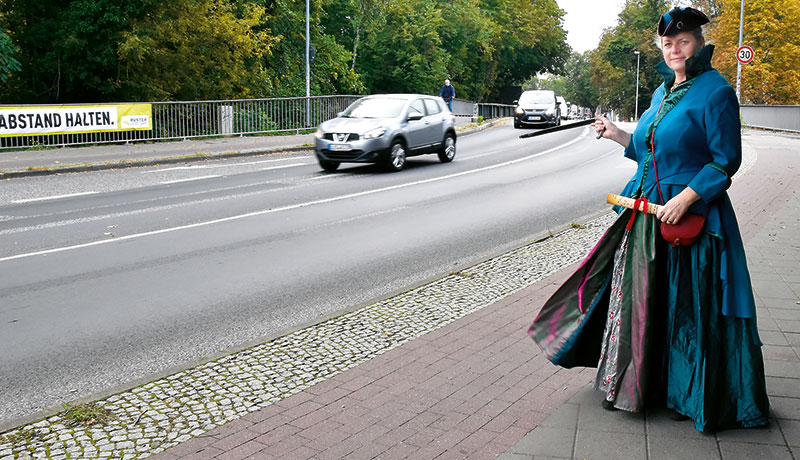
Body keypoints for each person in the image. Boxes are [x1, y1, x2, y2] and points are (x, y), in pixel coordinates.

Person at [531, 7, 769, 432]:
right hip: (645, 213)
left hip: (690, 221)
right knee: (640, 298)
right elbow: (652, 150)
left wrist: (689, 199)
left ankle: (687, 392)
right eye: (667, 44)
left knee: (687, 306)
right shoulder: (661, 94)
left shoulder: (716, 92)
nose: (675, 50)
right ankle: (638, 381)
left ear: (698, 42)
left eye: (683, 42)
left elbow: (724, 160)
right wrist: (618, 134)